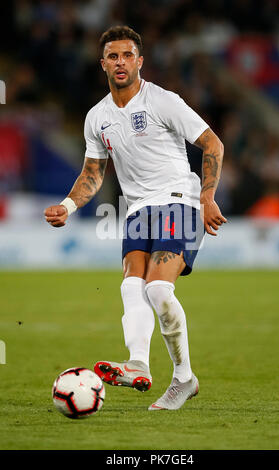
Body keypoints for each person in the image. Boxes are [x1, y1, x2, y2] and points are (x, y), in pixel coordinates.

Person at [44, 25, 227, 411]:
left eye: (128, 55)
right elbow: (93, 173)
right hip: (139, 210)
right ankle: (138, 365)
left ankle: (183, 378)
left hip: (180, 200)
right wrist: (69, 206)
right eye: (114, 56)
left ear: (140, 61)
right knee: (132, 286)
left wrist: (208, 196)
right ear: (103, 64)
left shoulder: (163, 101)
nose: (121, 62)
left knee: (158, 291)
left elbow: (212, 143)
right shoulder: (97, 117)